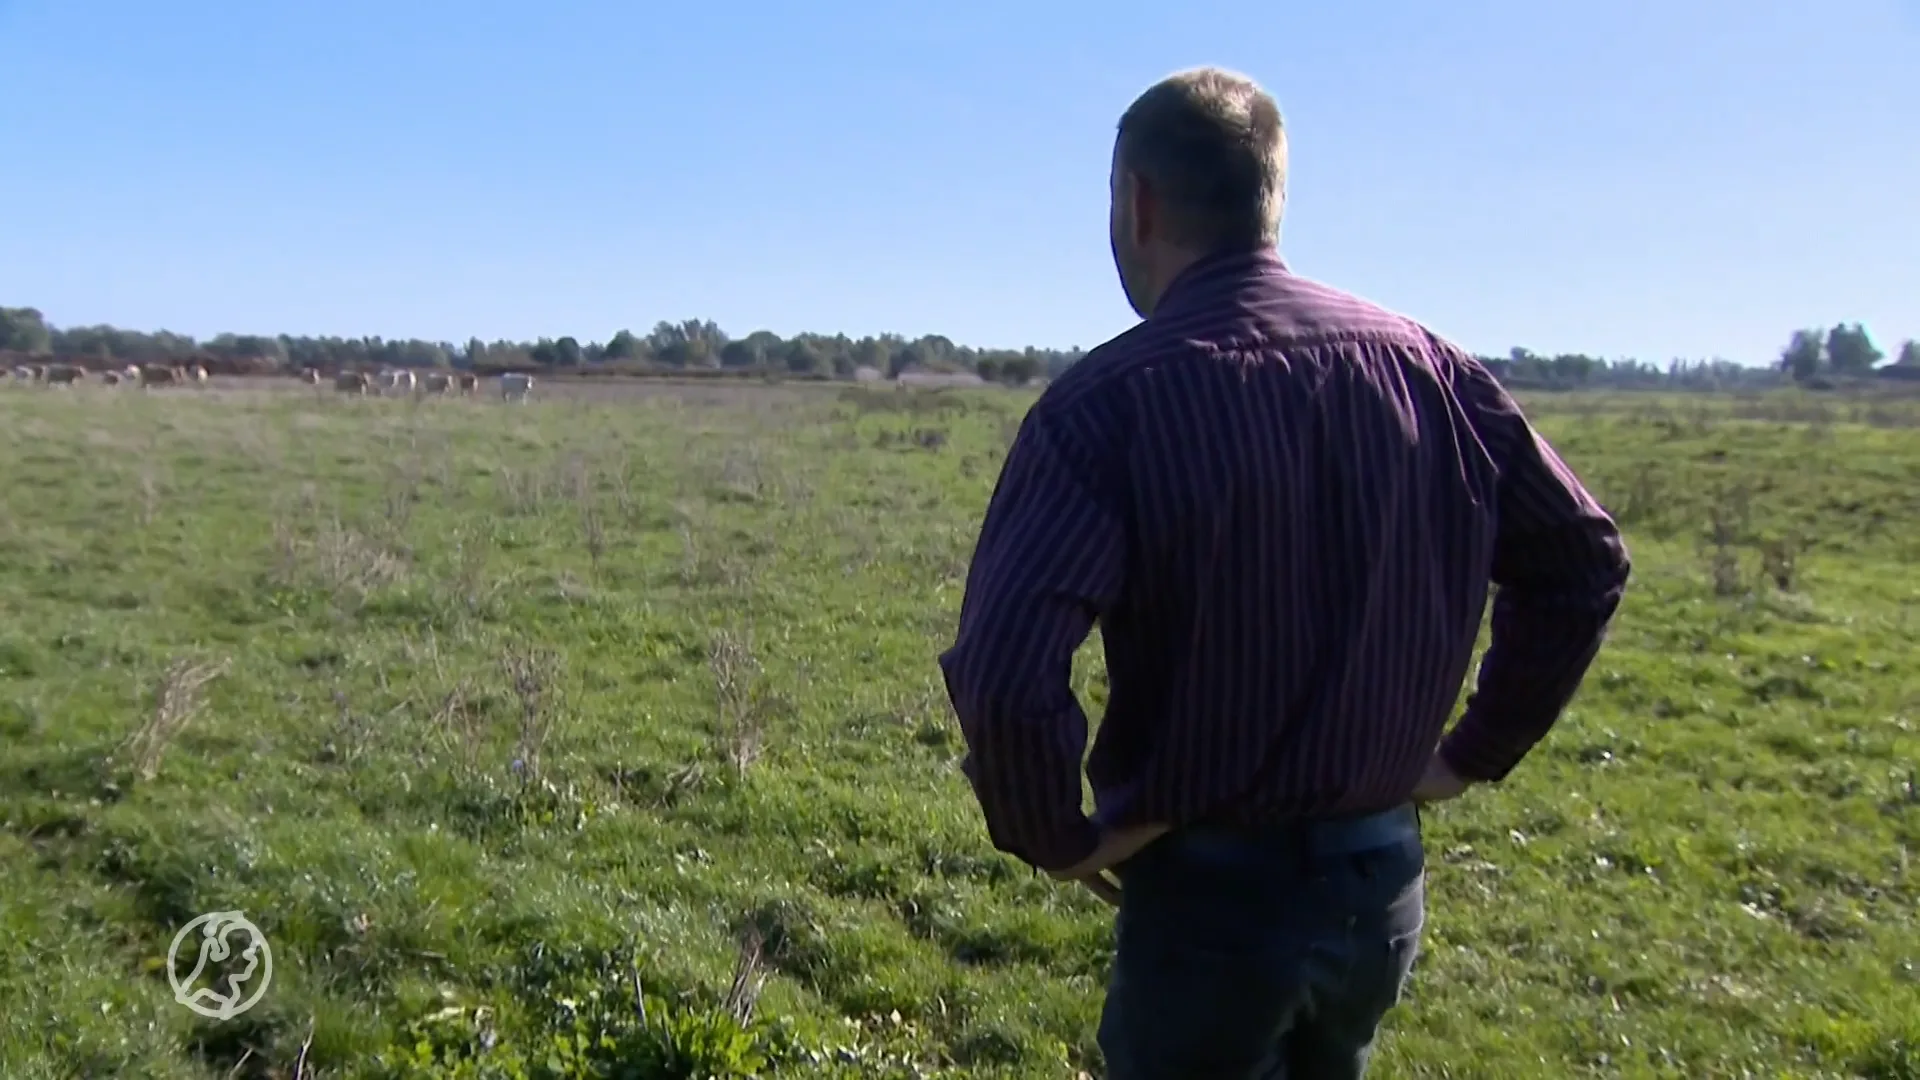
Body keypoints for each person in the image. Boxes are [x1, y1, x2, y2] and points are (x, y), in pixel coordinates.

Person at [937, 66, 1631, 1079]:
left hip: (1209, 902)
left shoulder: (1106, 405)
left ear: (1137, 202)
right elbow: (1582, 561)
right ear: (1272, 194)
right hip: (1380, 883)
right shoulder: (1430, 370)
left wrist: (1057, 837)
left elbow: (1004, 671)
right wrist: (1470, 753)